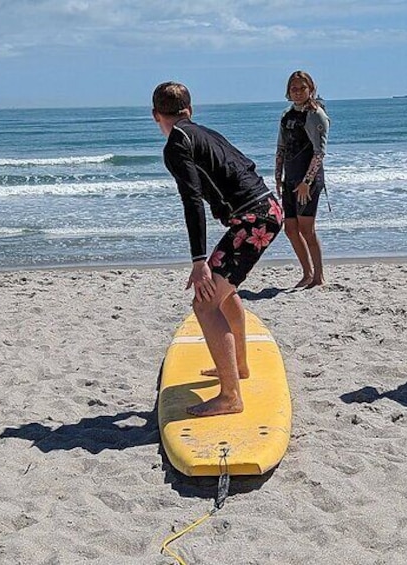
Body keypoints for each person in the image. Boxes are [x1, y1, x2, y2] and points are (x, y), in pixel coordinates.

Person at [152, 81, 283, 416]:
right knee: (224, 293)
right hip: (267, 209)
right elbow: (245, 165)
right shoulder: (204, 133)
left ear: (156, 116)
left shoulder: (176, 144)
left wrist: (199, 261)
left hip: (252, 220)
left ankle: (230, 397)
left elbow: (191, 199)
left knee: (204, 304)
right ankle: (238, 366)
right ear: (189, 111)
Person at [275, 70, 330, 288]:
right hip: (290, 178)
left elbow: (319, 153)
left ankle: (318, 276)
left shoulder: (316, 115)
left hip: (309, 181)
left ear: (311, 89)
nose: (297, 92)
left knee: (307, 229)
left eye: (302, 88)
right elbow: (281, 148)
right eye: (294, 89)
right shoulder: (287, 115)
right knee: (290, 229)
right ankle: (306, 273)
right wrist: (278, 176)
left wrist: (307, 182)